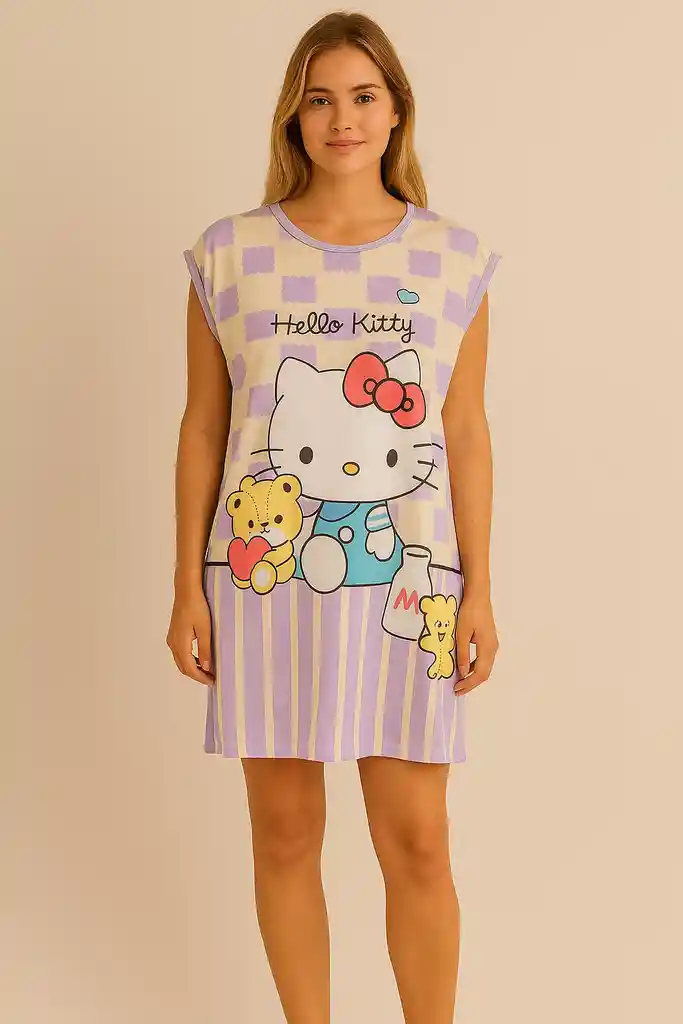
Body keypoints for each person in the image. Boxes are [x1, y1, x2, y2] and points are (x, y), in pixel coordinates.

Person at [167, 10, 502, 1024]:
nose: (341, 118)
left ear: (396, 111)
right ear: (293, 115)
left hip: (411, 587)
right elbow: (204, 426)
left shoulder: (453, 258)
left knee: (418, 841)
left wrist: (480, 590)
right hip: (265, 578)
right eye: (319, 99)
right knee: (282, 835)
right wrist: (186, 586)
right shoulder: (229, 253)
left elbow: (464, 430)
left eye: (362, 96)